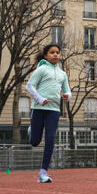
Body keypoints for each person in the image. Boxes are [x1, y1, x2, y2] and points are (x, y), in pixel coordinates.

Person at [25, 43, 71, 183]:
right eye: (52, 52)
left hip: (54, 110)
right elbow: (29, 85)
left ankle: (43, 172)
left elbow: (68, 90)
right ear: (46, 55)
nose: (56, 54)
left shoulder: (63, 74)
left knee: (50, 139)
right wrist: (39, 98)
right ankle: (31, 130)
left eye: (57, 52)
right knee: (35, 141)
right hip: (38, 109)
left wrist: (66, 96)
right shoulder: (42, 69)